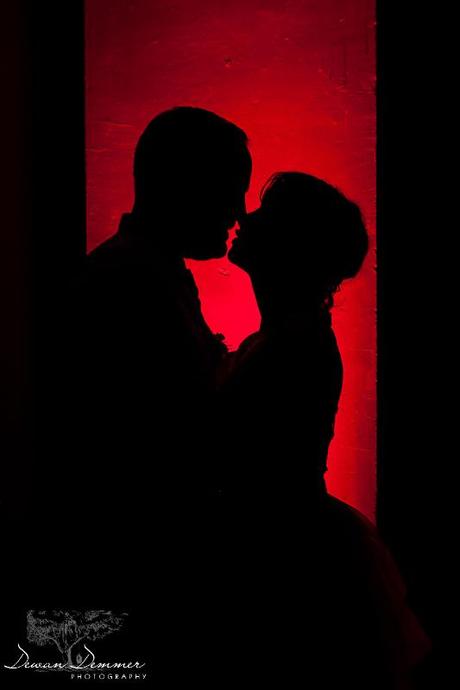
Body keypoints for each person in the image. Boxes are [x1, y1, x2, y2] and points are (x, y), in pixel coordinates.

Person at [217, 172, 430, 688]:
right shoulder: (288, 336)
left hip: (279, 559)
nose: (246, 217)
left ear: (291, 244)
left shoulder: (292, 346)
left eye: (266, 213)